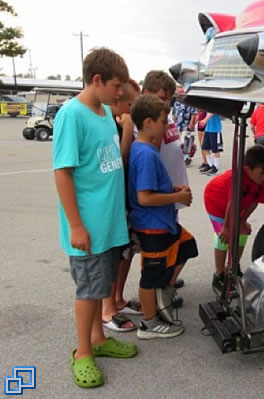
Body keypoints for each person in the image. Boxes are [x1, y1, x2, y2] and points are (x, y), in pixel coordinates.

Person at [53, 47, 136, 389]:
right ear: (97, 79)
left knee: (101, 285)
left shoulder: (104, 113)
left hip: (108, 222)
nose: (120, 94)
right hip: (87, 225)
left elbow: (110, 160)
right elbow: (62, 172)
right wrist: (75, 224)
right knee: (89, 290)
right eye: (116, 86)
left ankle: (99, 339)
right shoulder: (72, 115)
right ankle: (83, 352)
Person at [128, 94, 198, 339]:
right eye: (163, 120)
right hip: (152, 225)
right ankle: (149, 323)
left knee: (187, 245)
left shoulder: (145, 149)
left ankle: (165, 290)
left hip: (162, 223)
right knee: (150, 276)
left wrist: (173, 189)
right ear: (148, 123)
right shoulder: (145, 154)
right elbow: (145, 197)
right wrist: (176, 198)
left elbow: (153, 188)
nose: (167, 125)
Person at [100, 79, 142, 333]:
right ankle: (107, 309)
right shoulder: (111, 123)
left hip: (124, 199)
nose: (132, 110)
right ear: (117, 102)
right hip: (111, 201)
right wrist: (127, 129)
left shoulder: (120, 120)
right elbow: (121, 160)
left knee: (126, 252)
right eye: (130, 104)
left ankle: (118, 298)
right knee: (113, 255)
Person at [141, 71, 187, 302]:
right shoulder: (151, 123)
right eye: (162, 98)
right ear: (147, 94)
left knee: (174, 244)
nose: (166, 103)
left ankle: (166, 281)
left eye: (169, 99)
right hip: (161, 197)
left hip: (172, 196)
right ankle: (159, 291)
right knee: (160, 250)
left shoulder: (165, 117)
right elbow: (152, 157)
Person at [203, 145, 264, 296]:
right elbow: (232, 204)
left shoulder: (262, 178)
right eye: (262, 172)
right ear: (247, 169)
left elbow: (254, 202)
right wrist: (227, 227)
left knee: (242, 233)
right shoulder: (237, 178)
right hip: (216, 201)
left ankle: (233, 267)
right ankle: (219, 274)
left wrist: (242, 221)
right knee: (224, 238)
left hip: (237, 205)